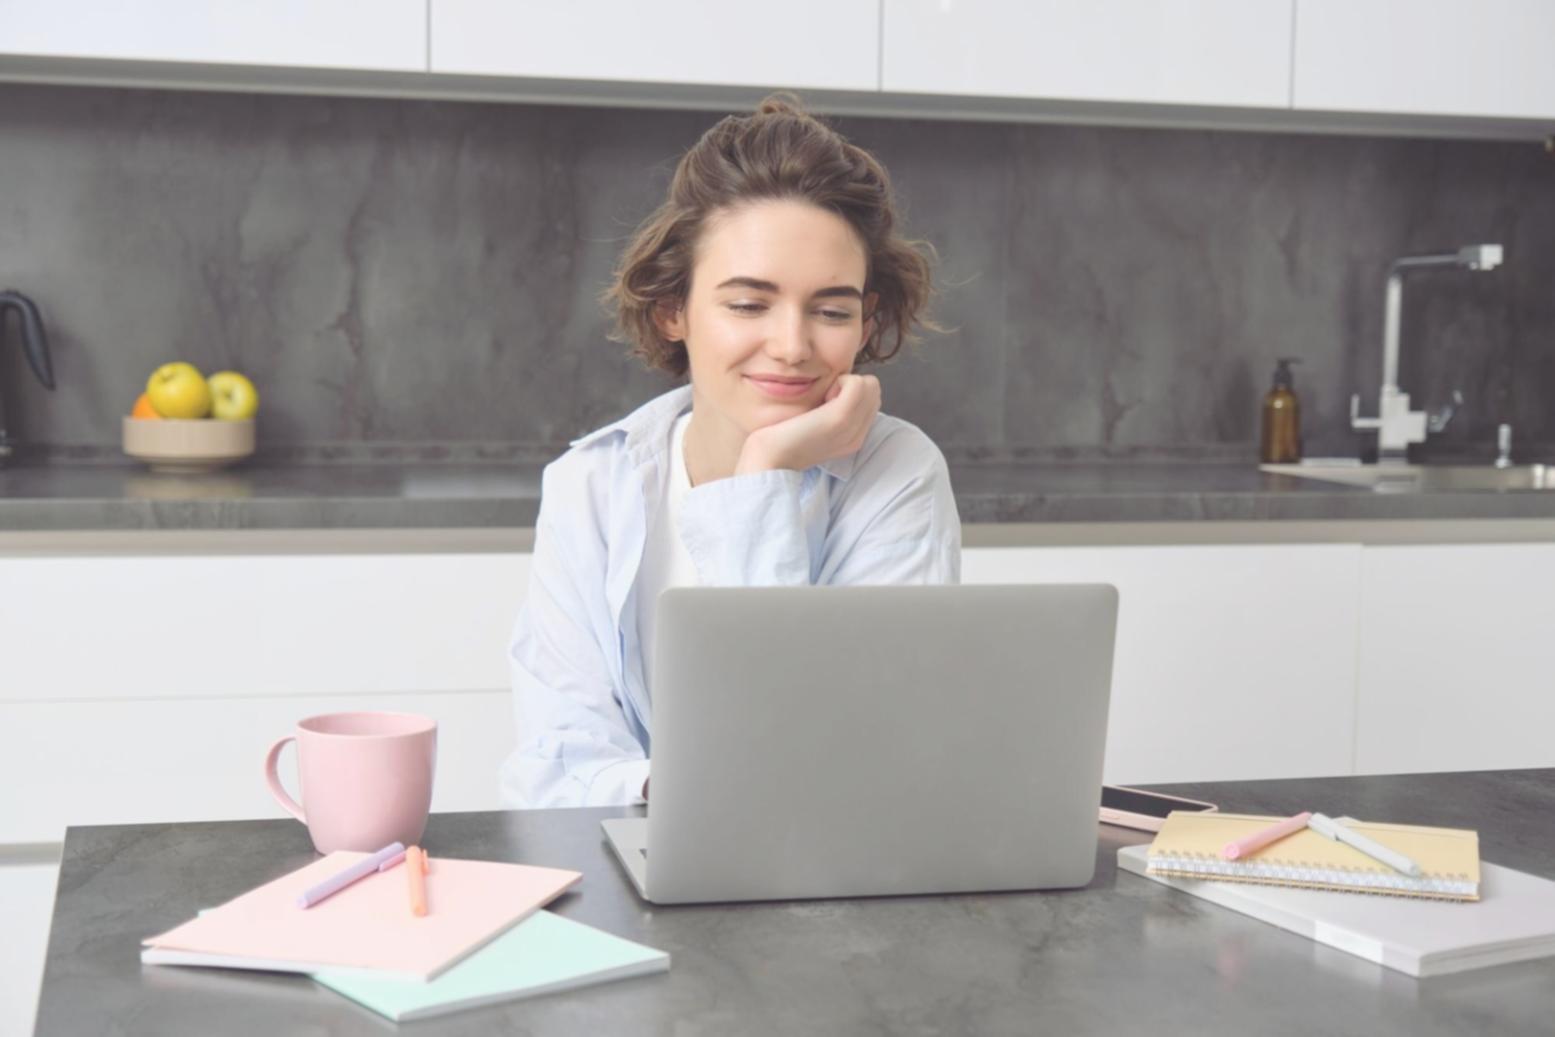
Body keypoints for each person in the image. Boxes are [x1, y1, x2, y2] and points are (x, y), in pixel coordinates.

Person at [500, 95, 962, 809]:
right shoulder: (590, 483)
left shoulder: (897, 474)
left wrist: (764, 472)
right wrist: (693, 797)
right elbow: (558, 760)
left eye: (832, 310)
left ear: (866, 323)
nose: (792, 345)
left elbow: (832, 764)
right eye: (748, 304)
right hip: (620, 851)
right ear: (672, 309)